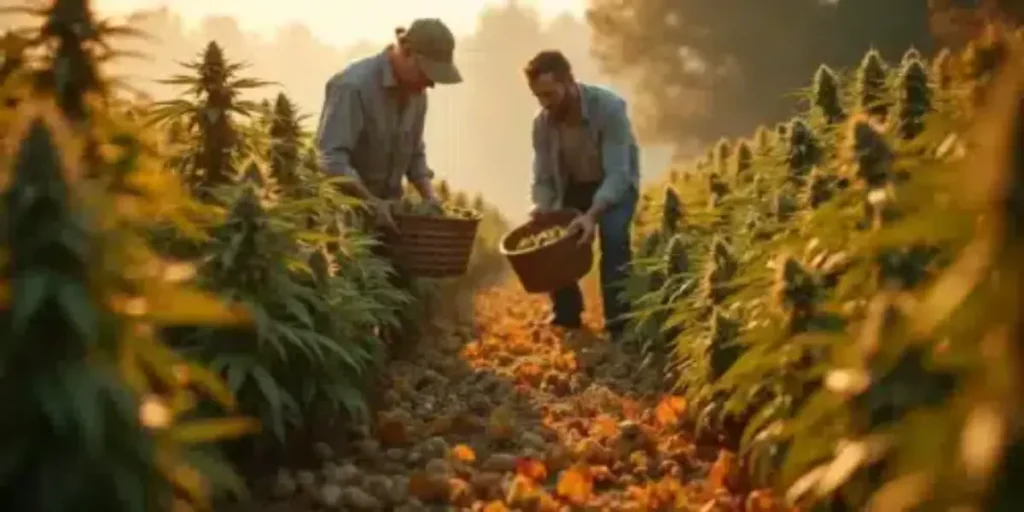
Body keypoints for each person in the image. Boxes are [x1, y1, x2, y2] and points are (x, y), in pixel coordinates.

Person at [314, 18, 463, 343]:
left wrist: (430, 196)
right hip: (345, 222)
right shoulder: (353, 87)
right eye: (427, 73)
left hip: (391, 218)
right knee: (354, 304)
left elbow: (414, 153)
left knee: (393, 303)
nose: (430, 84)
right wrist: (369, 203)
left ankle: (394, 359)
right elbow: (330, 159)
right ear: (406, 51)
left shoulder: (417, 94)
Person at [524, 50, 640, 342]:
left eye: (549, 94)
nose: (544, 103)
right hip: (574, 185)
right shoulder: (542, 123)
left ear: (569, 82)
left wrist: (592, 215)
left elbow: (618, 173)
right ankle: (567, 313)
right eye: (538, 96)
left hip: (614, 184)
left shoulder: (609, 109)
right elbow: (544, 178)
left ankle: (619, 321)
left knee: (614, 239)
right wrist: (542, 207)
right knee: (554, 240)